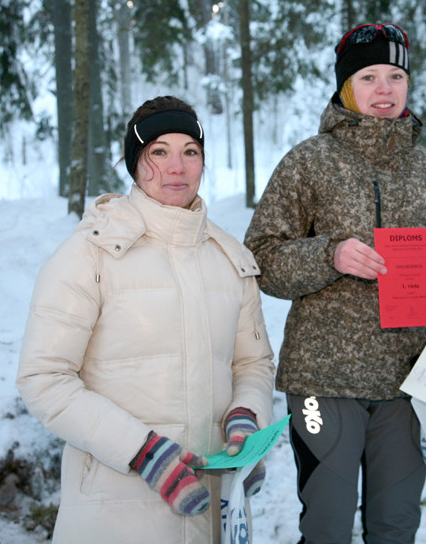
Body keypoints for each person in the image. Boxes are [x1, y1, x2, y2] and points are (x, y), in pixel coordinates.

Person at [243, 23, 426, 544]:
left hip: (408, 380)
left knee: (395, 526)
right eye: (369, 76)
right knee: (326, 526)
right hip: (325, 381)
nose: (385, 89)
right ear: (347, 86)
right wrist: (331, 254)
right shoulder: (309, 161)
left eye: (396, 76)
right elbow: (261, 258)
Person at [16, 95, 275, 544]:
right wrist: (143, 453)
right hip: (115, 510)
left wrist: (246, 421)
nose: (176, 167)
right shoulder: (89, 252)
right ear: (135, 163)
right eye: (159, 151)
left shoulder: (231, 258)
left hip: (216, 506)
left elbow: (252, 364)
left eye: (189, 152)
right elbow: (44, 378)